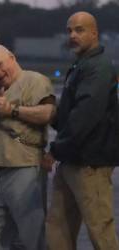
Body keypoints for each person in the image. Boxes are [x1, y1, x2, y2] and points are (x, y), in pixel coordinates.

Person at [44, 11, 119, 250]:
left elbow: (85, 117)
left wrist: (56, 149)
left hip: (90, 164)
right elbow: (69, 115)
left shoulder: (99, 67)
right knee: (58, 226)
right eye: (69, 31)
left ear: (94, 33)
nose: (73, 35)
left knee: (100, 231)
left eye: (79, 30)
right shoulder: (82, 64)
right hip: (71, 160)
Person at [0, 44, 55, 250]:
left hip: (24, 165)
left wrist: (12, 110)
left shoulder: (35, 80)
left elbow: (48, 113)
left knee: (30, 230)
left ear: (12, 57)